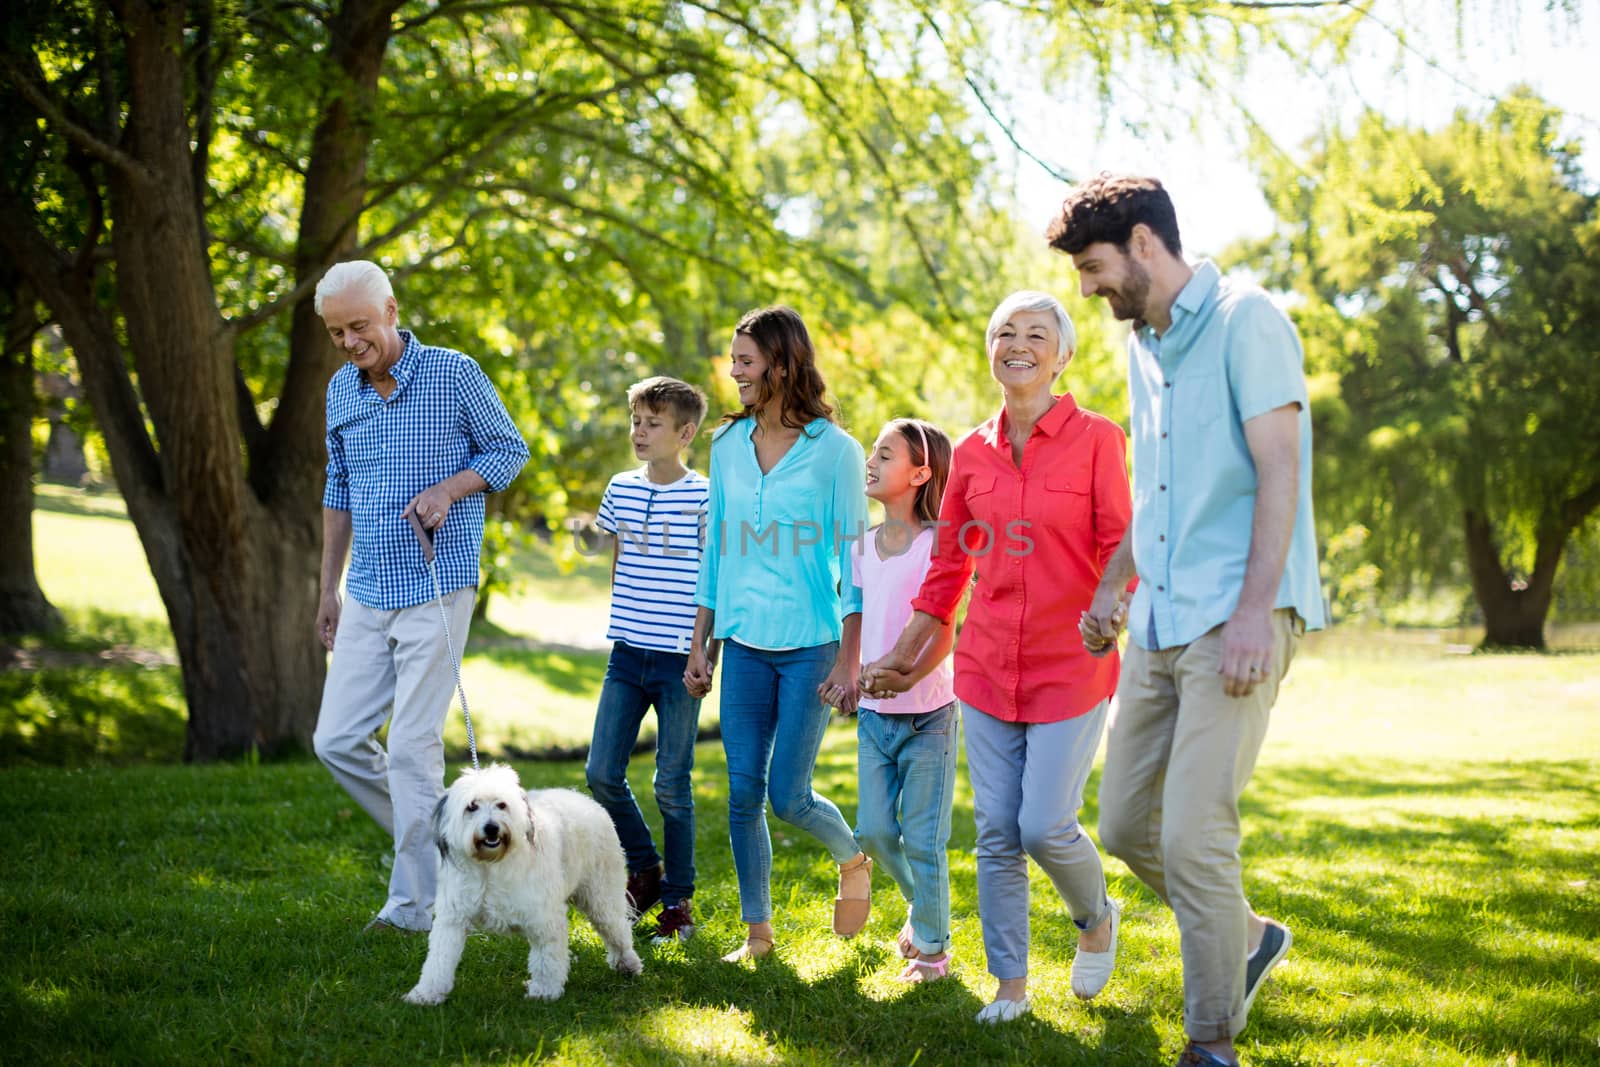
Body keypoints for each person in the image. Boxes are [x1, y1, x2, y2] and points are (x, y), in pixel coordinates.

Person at [1047, 174, 1326, 1067]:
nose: (1087, 290)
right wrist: (1112, 585)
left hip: (1240, 611)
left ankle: (1211, 1042)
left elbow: (1279, 471)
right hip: (1162, 617)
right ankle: (1244, 933)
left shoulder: (1250, 322)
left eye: (1092, 268)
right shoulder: (1147, 344)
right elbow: (1161, 491)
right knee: (1128, 825)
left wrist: (1255, 614)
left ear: (1141, 242)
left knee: (1194, 830)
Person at [862, 291, 1133, 1024]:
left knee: (1044, 824)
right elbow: (946, 570)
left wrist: (1112, 607)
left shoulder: (1100, 438)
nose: (1018, 344)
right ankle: (1010, 985)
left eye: (1036, 333)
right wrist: (903, 654)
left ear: (1063, 354)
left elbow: (1120, 545)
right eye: (1004, 332)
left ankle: (1096, 914)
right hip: (984, 668)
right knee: (996, 832)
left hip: (1072, 665)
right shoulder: (972, 453)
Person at [311, 260, 529, 934]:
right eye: (336, 331)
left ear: (391, 310)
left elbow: (508, 449)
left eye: (359, 325)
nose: (350, 341)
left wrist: (448, 490)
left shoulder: (453, 373)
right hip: (368, 588)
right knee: (336, 739)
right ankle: (444, 839)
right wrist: (327, 586)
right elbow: (337, 490)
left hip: (438, 584)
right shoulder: (340, 392)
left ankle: (413, 905)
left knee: (409, 746)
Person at [683, 305, 874, 963]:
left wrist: (850, 661)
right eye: (734, 360)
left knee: (787, 794)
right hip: (743, 644)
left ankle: (853, 860)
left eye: (745, 361)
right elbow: (715, 551)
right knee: (741, 792)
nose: (734, 372)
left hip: (810, 645)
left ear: (782, 364)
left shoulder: (837, 452)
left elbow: (855, 560)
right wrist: (699, 644)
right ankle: (758, 934)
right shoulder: (725, 446)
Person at [584, 376, 711, 946]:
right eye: (636, 420)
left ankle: (678, 900)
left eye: (652, 423)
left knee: (671, 785)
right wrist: (621, 624)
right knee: (601, 773)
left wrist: (703, 653)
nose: (639, 431)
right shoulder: (619, 488)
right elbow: (618, 558)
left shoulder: (705, 496)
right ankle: (646, 868)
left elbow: (715, 582)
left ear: (684, 433)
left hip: (679, 662)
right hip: (626, 654)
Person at [849, 418, 959, 983]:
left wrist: (907, 673)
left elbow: (943, 626)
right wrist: (853, 677)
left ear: (920, 473)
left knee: (924, 838)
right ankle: (924, 908)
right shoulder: (863, 546)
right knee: (872, 831)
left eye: (884, 454)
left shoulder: (940, 542)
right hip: (874, 719)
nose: (871, 460)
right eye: (873, 451)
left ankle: (934, 951)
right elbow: (860, 619)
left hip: (930, 719)